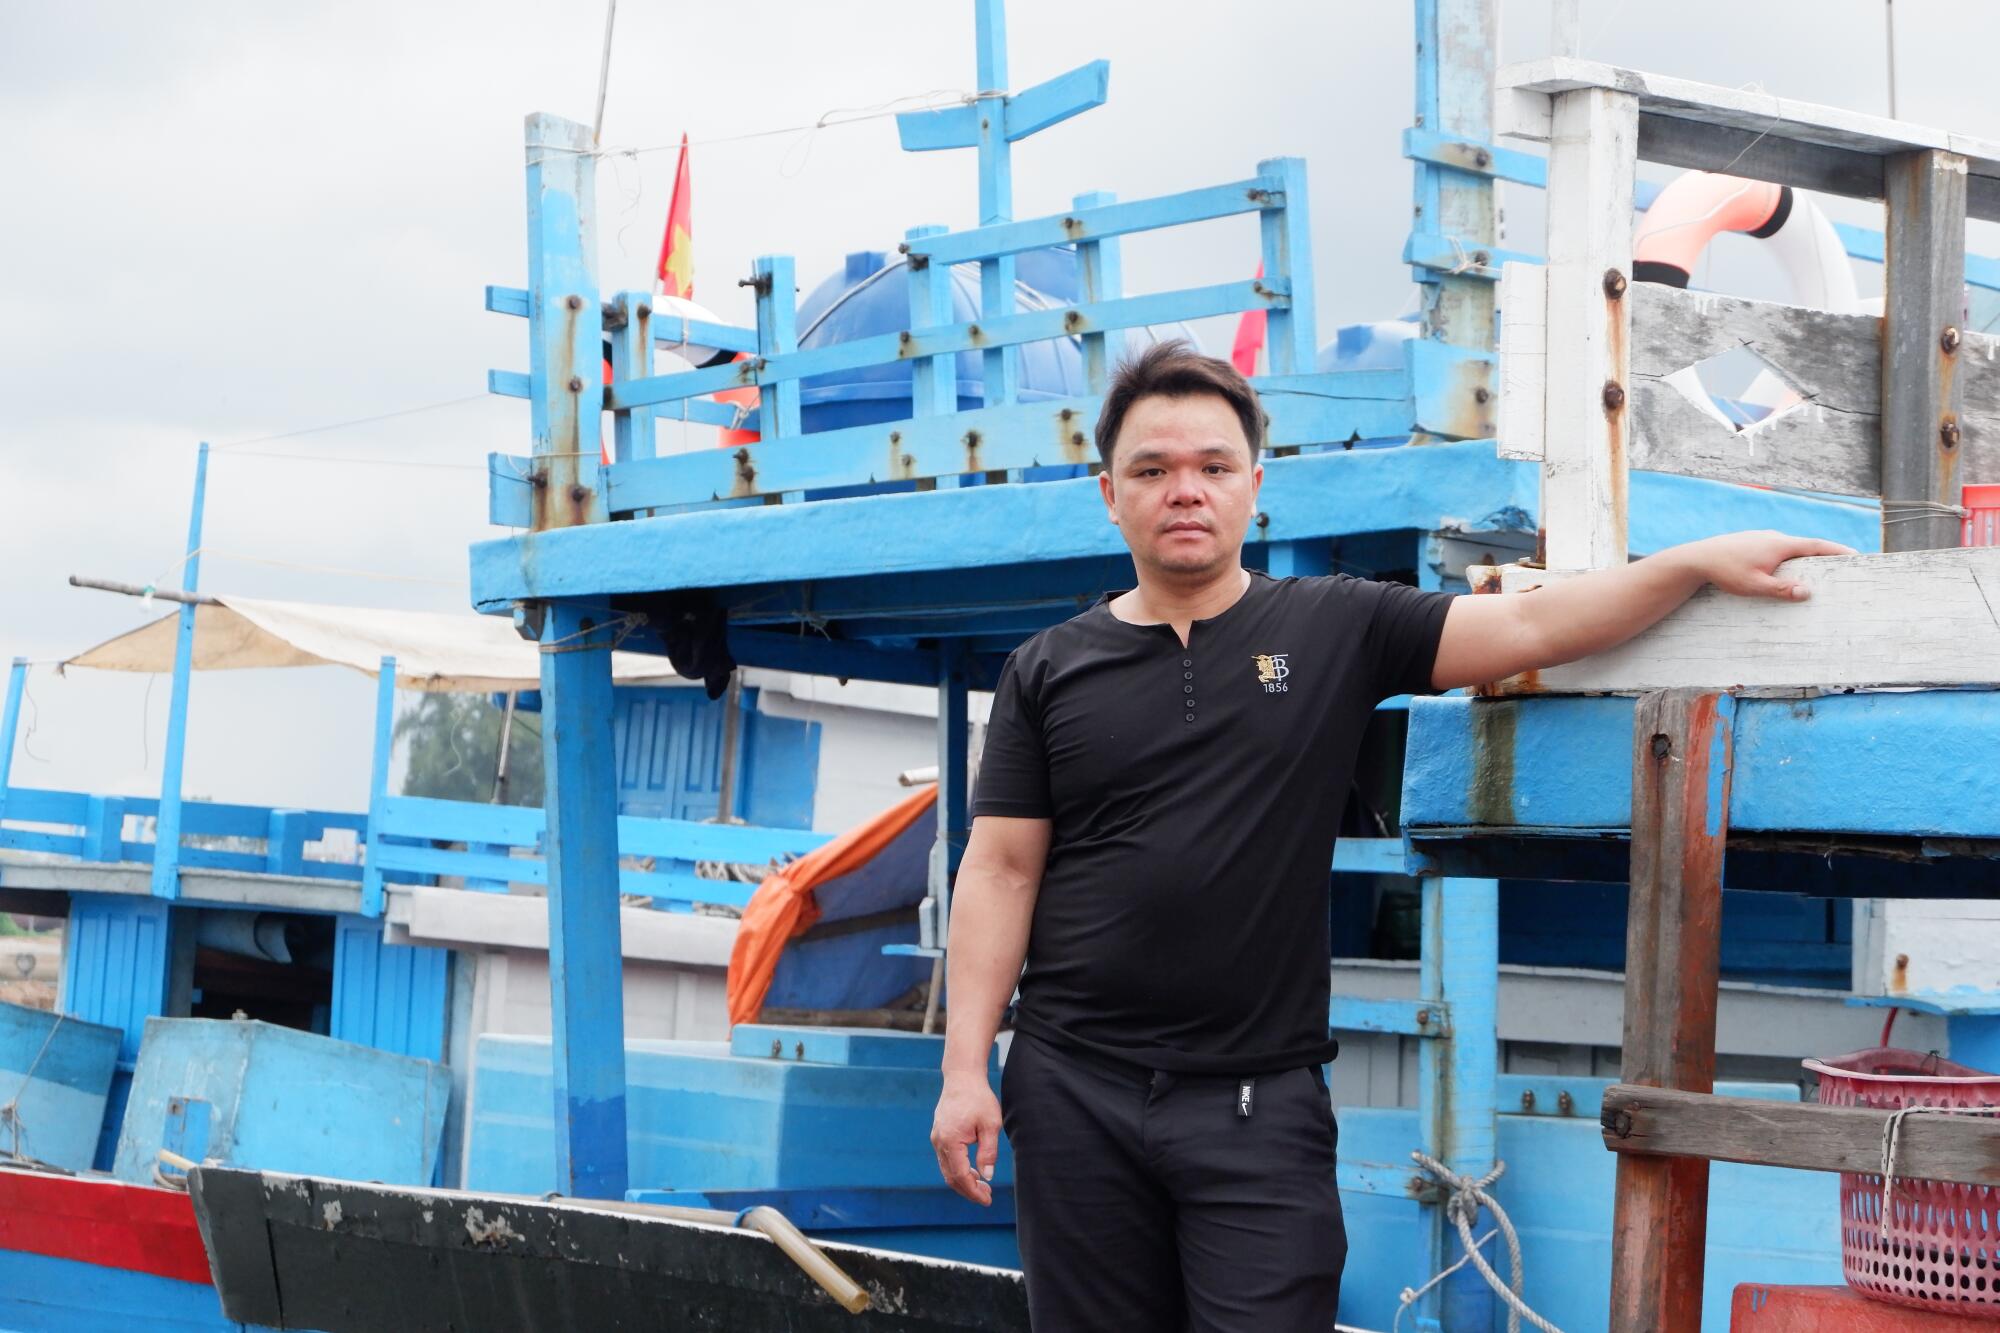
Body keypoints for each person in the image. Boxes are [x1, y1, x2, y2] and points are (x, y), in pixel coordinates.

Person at [929, 340, 1852, 1330]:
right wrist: (962, 1071)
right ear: (1109, 493)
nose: (1183, 490)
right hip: (1073, 1088)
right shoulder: (1045, 669)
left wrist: (1683, 565)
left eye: (1211, 467)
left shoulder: (1335, 627)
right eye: (1151, 471)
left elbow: (1531, 632)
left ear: (1253, 487)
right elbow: (1002, 869)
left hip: (1257, 1101)